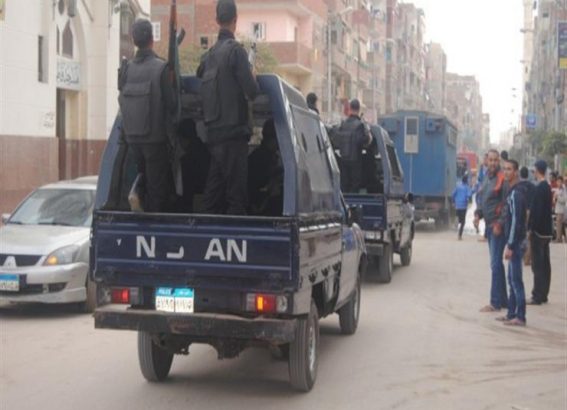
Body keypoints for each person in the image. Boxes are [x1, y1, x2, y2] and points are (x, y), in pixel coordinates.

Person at [197, 0, 260, 215]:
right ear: (236, 20)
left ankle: (204, 229)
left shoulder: (209, 56)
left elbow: (199, 73)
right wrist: (252, 75)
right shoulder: (236, 52)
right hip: (234, 136)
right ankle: (234, 232)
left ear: (217, 20)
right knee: (236, 197)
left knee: (212, 194)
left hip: (214, 136)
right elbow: (252, 91)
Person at [118, 18, 176, 212]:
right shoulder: (161, 68)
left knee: (142, 180)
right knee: (158, 191)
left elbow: (121, 101)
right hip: (155, 142)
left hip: (132, 141)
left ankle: (138, 199)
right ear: (152, 39)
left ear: (134, 41)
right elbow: (172, 105)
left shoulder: (126, 69)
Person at [496, 159, 528, 326]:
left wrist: (510, 245)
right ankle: (511, 313)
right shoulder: (513, 191)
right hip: (516, 241)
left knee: (516, 280)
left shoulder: (516, 193)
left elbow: (516, 220)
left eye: (509, 169)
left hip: (516, 242)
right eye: (505, 169)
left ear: (516, 172)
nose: (506, 172)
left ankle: (520, 316)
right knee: (511, 278)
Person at [477, 149, 508, 313]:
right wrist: (478, 214)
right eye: (491, 160)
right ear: (486, 161)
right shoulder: (486, 178)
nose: (493, 163)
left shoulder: (502, 179)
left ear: (499, 162)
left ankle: (495, 302)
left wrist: (500, 223)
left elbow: (506, 205)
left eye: (496, 160)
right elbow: (483, 199)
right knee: (497, 264)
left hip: (497, 228)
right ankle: (503, 300)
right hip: (489, 226)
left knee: (495, 264)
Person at [527, 160, 553, 305]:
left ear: (537, 171)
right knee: (545, 264)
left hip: (538, 232)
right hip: (547, 232)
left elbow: (536, 212)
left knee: (537, 265)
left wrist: (531, 228)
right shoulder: (547, 187)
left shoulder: (539, 189)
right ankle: (544, 294)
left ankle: (537, 295)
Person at [334, 99, 371, 192]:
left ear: (350, 108)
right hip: (355, 161)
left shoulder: (343, 124)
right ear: (358, 110)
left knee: (344, 185)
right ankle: (353, 201)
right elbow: (362, 141)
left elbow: (336, 140)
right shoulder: (360, 125)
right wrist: (368, 136)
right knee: (355, 185)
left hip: (343, 160)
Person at [452, 175, 472, 240]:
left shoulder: (458, 186)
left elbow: (453, 194)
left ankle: (457, 221)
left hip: (457, 206)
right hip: (463, 206)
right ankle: (459, 235)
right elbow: (469, 195)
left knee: (458, 217)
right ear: (466, 181)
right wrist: (469, 201)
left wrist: (453, 201)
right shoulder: (467, 187)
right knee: (463, 222)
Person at [553, 175, 566, 243]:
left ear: (562, 182)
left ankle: (559, 239)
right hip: (557, 209)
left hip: (561, 210)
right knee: (558, 225)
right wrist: (554, 199)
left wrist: (557, 197)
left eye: (560, 182)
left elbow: (564, 200)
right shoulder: (557, 189)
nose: (559, 183)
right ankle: (559, 238)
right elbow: (554, 199)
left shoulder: (564, 190)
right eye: (558, 182)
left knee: (559, 225)